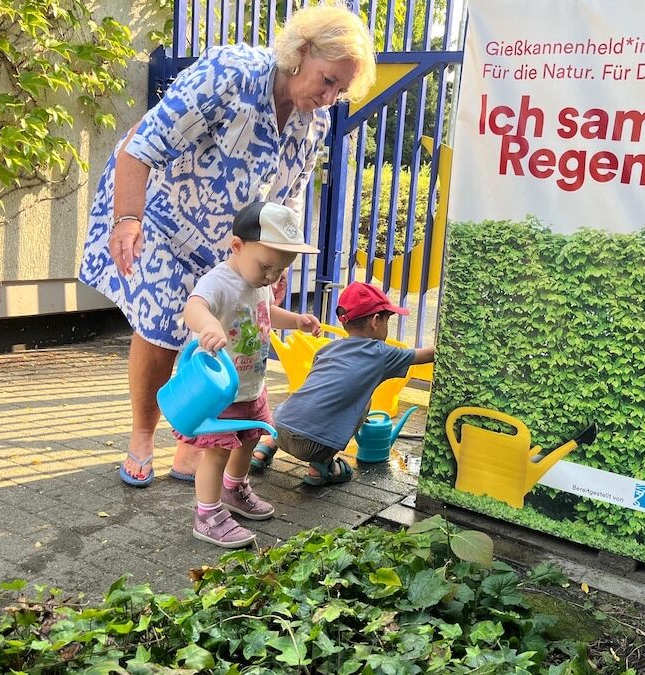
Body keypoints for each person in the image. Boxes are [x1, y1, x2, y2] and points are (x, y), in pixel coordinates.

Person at [77, 4, 377, 487]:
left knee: (225, 333)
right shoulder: (230, 73)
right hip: (162, 216)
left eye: (341, 90)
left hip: (230, 241)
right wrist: (128, 219)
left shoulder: (312, 122)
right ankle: (141, 436)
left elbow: (288, 199)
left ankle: (191, 443)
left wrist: (275, 269)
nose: (330, 97)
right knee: (161, 330)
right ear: (300, 52)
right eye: (327, 81)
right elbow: (143, 144)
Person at [182, 201, 321, 547]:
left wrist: (296, 321)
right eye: (267, 267)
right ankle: (207, 514)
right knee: (216, 452)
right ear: (238, 247)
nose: (272, 277)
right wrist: (209, 325)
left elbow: (265, 312)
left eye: (280, 271)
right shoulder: (219, 282)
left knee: (250, 439)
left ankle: (234, 489)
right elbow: (193, 307)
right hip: (221, 391)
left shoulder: (258, 280)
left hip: (252, 388)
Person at [251, 282, 435, 485]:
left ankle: (263, 449)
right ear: (375, 321)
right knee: (364, 401)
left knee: (307, 401)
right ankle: (321, 467)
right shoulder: (381, 353)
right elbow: (426, 355)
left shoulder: (327, 350)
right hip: (316, 445)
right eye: (387, 320)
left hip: (278, 426)